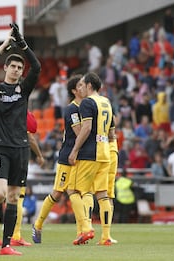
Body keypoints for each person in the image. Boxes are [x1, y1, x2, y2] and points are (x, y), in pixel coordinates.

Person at [0, 24, 41, 256]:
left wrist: (23, 43)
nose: (16, 69)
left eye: (19, 67)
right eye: (12, 66)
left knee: (14, 197)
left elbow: (37, 66)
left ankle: (6, 246)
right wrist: (4, 45)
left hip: (21, 150)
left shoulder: (24, 90)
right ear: (5, 68)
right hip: (0, 149)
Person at [32, 74, 84, 244]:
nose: (85, 87)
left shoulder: (86, 107)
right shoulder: (71, 109)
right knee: (57, 193)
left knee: (75, 192)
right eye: (82, 85)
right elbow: (78, 132)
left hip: (80, 156)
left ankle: (81, 232)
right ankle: (37, 225)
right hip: (67, 156)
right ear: (74, 90)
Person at [67, 72, 115, 246]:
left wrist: (75, 150)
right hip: (105, 153)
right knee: (102, 195)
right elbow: (111, 132)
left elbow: (86, 128)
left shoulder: (88, 102)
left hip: (90, 153)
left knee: (74, 190)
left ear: (88, 86)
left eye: (83, 85)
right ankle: (106, 236)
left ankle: (86, 228)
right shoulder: (107, 102)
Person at [0, 110, 44, 247]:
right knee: (16, 198)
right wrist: (39, 155)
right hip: (16, 156)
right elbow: (30, 134)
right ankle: (15, 235)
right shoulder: (23, 112)